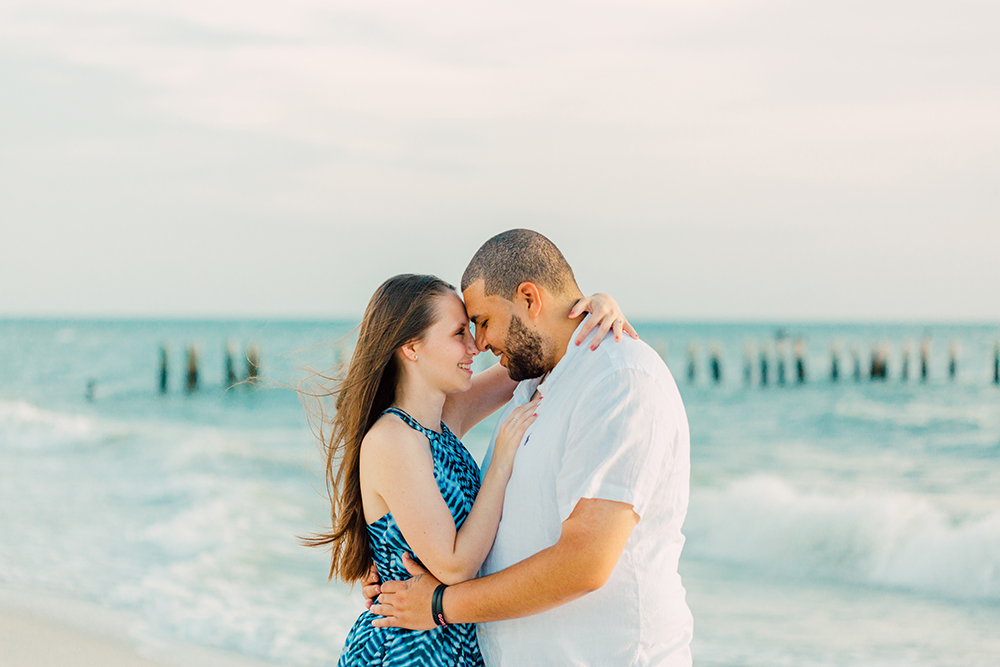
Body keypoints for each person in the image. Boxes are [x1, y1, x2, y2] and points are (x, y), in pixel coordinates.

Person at [369, 230, 693, 667]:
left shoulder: (619, 380)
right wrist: (390, 565)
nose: (478, 345)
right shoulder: (531, 380)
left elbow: (584, 563)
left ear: (528, 299)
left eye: (481, 322)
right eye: (463, 330)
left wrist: (439, 605)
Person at [304, 273, 634, 666]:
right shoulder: (393, 440)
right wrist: (500, 463)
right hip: (405, 653)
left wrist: (592, 310)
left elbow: (537, 357)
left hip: (453, 649)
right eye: (459, 332)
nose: (475, 345)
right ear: (411, 347)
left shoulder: (442, 419)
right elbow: (456, 565)